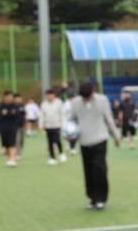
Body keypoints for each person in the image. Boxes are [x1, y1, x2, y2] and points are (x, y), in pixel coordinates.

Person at [70, 81, 120, 210]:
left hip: (100, 139)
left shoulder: (102, 100)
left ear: (92, 92)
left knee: (99, 169)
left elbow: (109, 118)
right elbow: (72, 120)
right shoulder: (75, 103)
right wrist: (70, 135)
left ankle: (101, 198)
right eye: (83, 97)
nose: (86, 99)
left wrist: (116, 136)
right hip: (84, 141)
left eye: (88, 96)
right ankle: (92, 198)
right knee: (88, 171)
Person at [40, 88, 66, 164]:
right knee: (50, 142)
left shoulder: (59, 102)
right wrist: (41, 125)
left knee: (57, 140)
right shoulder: (43, 104)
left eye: (51, 95)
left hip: (57, 125)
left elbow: (62, 114)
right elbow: (42, 115)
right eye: (48, 95)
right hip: (48, 125)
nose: (49, 97)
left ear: (54, 95)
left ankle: (61, 153)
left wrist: (63, 123)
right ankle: (52, 157)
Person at [0, 91, 20, 167]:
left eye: (11, 97)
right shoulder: (1, 106)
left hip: (12, 127)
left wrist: (7, 114)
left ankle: (12, 159)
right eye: (8, 96)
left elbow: (16, 117)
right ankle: (9, 158)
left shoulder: (15, 106)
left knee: (12, 143)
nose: (10, 98)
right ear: (5, 97)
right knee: (6, 145)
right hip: (3, 128)